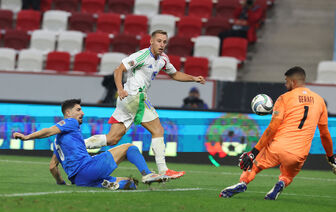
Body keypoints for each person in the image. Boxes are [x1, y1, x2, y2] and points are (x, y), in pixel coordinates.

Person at [84, 30, 206, 179]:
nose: (162, 45)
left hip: (126, 101)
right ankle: (163, 170)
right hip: (134, 97)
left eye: (164, 42)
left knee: (112, 138)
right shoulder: (142, 55)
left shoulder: (164, 59)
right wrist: (120, 89)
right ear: (151, 41)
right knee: (158, 130)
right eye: (159, 41)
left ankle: (77, 145)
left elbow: (174, 74)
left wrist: (194, 78)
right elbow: (118, 70)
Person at [219, 66, 336, 200]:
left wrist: (253, 153)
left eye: (286, 81)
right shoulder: (320, 101)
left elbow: (272, 128)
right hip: (298, 153)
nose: (285, 84)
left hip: (277, 147)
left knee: (255, 165)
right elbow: (325, 134)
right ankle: (281, 183)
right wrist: (331, 156)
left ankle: (243, 183)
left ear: (293, 82)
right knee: (288, 175)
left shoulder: (284, 98)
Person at [13, 99, 167, 190]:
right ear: (68, 114)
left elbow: (52, 167)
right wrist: (27, 137)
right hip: (88, 168)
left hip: (79, 181)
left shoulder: (58, 144)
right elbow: (48, 130)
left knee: (132, 183)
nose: (82, 113)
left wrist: (61, 183)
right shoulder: (70, 122)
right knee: (129, 148)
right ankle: (147, 174)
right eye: (78, 110)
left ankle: (108, 183)